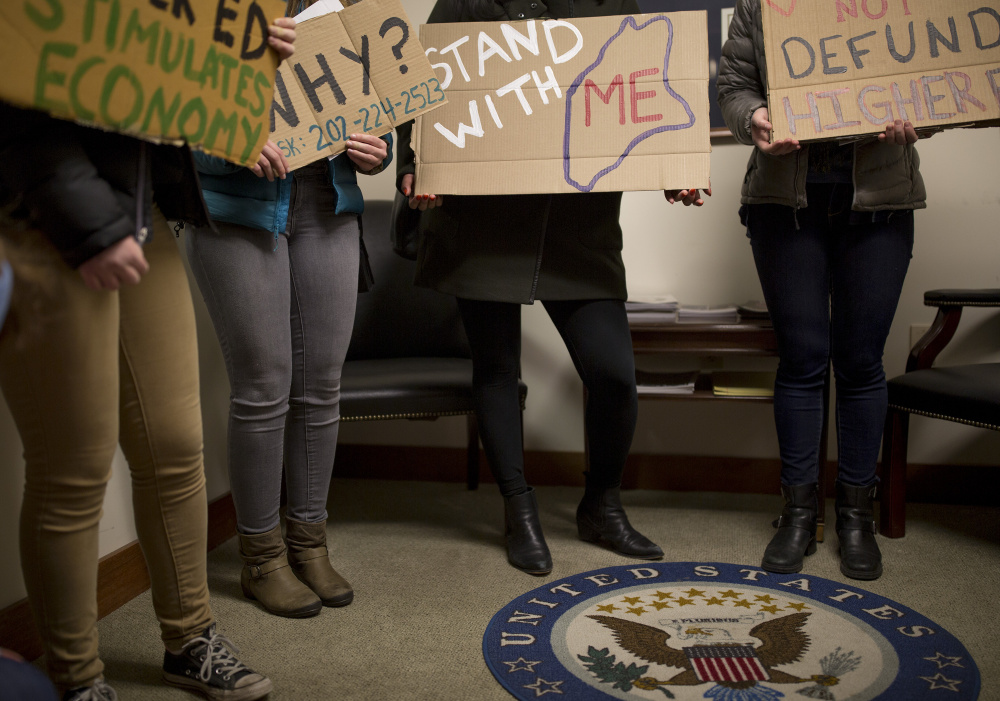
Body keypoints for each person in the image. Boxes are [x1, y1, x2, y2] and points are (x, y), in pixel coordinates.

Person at [0, 19, 297, 701]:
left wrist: (238, 73)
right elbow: (19, 71)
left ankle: (190, 637)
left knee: (174, 442)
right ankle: (75, 678)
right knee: (73, 464)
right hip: (33, 210)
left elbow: (149, 66)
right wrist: (83, 219)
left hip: (138, 202)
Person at [394, 0, 713, 575]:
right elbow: (419, 79)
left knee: (613, 374)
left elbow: (646, 81)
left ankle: (602, 506)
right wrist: (417, 164)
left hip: (578, 225)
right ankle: (519, 512)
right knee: (496, 369)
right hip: (482, 223)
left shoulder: (610, 2)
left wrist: (673, 164)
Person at [184, 0, 392, 618]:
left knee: (322, 384)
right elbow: (161, 97)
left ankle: (309, 541)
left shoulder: (348, 5)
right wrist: (225, 132)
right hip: (233, 203)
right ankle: (262, 557)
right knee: (263, 387)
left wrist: (376, 145)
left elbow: (379, 95)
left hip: (326, 199)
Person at [717, 0, 926, 581]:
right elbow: (733, 84)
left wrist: (918, 121)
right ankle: (799, 515)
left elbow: (941, 85)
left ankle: (856, 517)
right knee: (803, 359)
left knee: (861, 362)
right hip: (786, 204)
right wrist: (754, 117)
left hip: (879, 205)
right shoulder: (761, 5)